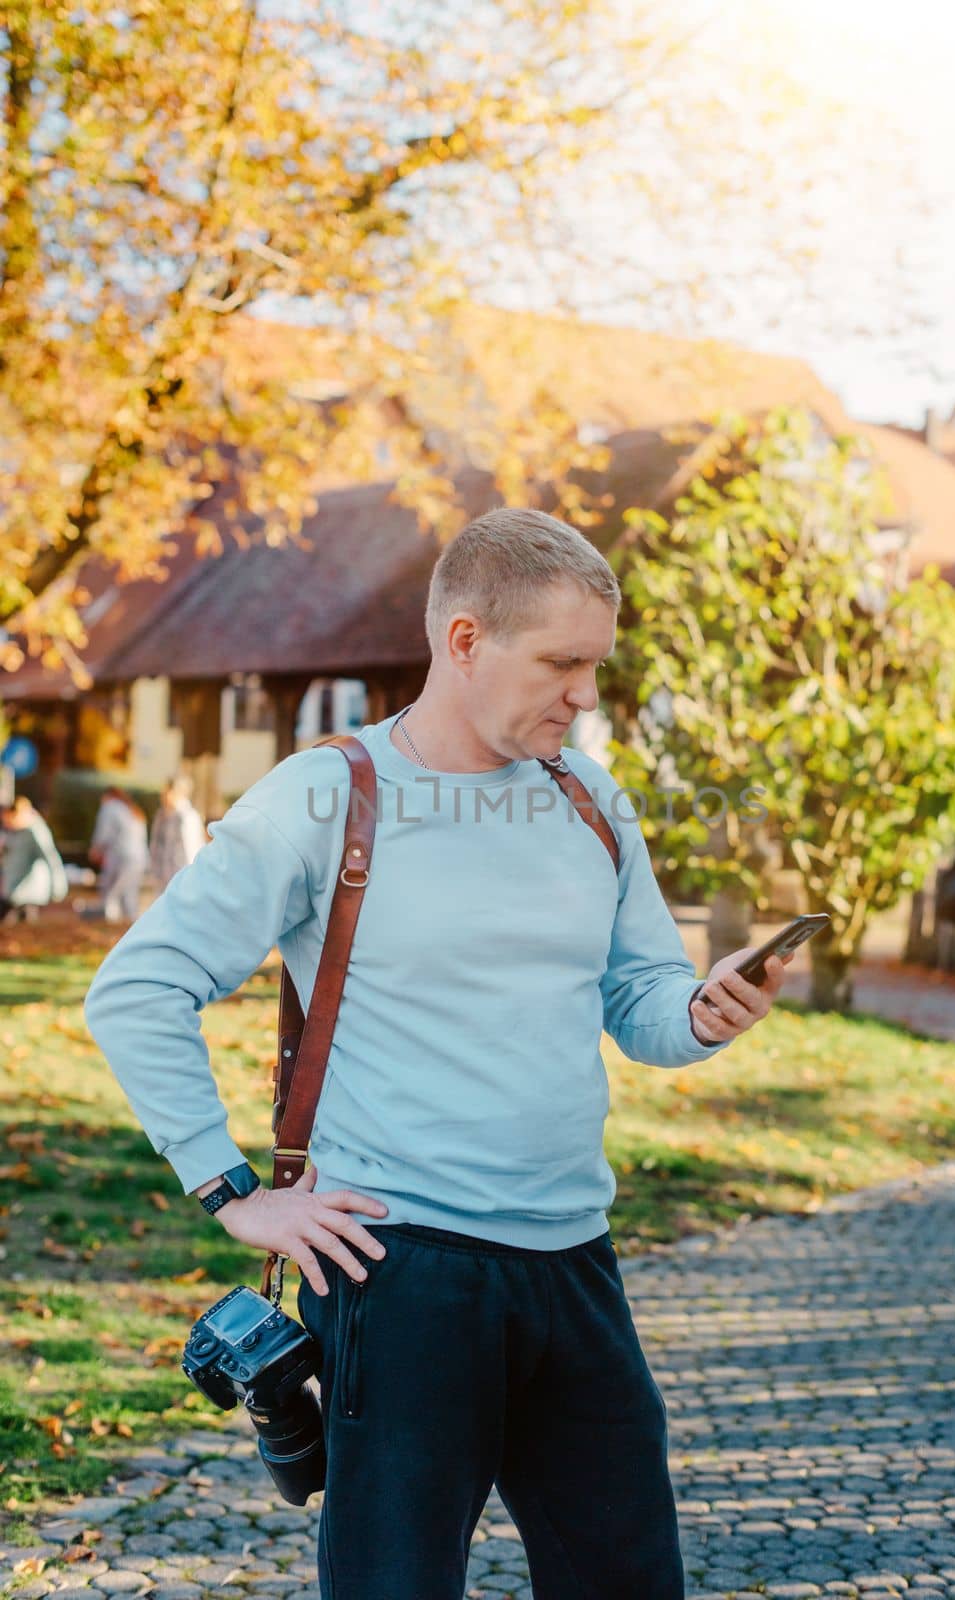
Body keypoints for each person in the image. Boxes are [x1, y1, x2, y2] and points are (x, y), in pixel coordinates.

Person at [83, 508, 793, 1600]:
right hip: (400, 1273)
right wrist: (230, 1191)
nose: (587, 695)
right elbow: (138, 987)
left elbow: (639, 997)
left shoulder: (589, 797)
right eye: (563, 663)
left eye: (596, 665)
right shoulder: (328, 796)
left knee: (630, 1582)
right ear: (464, 641)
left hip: (576, 1266)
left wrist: (699, 1013)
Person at [0, 795, 67, 921]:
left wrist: (58, 888)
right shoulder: (11, 831)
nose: (6, 823)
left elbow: (51, 858)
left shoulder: (35, 831)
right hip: (11, 892)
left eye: (8, 820)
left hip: (28, 894)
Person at [89, 786, 149, 923]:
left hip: (121, 856)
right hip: (139, 858)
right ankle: (131, 925)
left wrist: (96, 849)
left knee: (110, 893)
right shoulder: (132, 810)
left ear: (108, 796)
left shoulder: (110, 807)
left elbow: (103, 833)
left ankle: (109, 924)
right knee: (129, 894)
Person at [148, 775, 206, 891]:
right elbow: (155, 844)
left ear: (178, 793)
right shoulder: (161, 815)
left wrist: (192, 878)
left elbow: (192, 849)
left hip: (181, 876)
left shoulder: (187, 816)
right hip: (162, 876)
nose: (162, 795)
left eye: (166, 791)